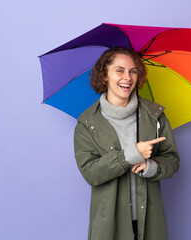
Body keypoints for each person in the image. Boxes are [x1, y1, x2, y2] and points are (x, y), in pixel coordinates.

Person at [74, 46, 180, 240]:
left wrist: (151, 166)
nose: (128, 77)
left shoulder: (154, 115)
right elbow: (91, 173)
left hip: (150, 221)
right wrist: (130, 155)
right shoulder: (87, 123)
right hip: (109, 225)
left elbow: (172, 161)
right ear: (104, 75)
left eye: (133, 71)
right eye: (119, 70)